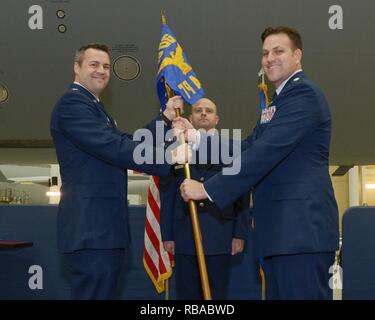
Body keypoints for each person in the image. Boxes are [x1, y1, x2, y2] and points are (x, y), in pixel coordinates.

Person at [179, 27, 339, 300]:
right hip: (279, 234)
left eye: (279, 51)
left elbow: (264, 153)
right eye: (265, 53)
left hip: (301, 233)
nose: (269, 59)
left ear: (297, 55)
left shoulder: (304, 95)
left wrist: (207, 190)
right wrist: (198, 140)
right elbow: (249, 147)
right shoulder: (278, 102)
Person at [50, 43, 189, 299]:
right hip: (90, 229)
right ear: (76, 67)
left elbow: (128, 141)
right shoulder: (72, 105)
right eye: (94, 64)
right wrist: (168, 156)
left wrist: (166, 119)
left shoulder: (95, 108)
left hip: (104, 230)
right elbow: (114, 147)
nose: (101, 71)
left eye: (105, 66)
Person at [160, 98, 249, 299]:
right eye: (198, 110)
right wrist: (167, 233)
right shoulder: (177, 146)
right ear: (190, 117)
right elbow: (168, 192)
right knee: (187, 295)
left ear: (216, 119)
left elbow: (241, 192)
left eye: (208, 111)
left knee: (216, 295)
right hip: (185, 232)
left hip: (220, 232)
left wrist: (240, 233)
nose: (203, 113)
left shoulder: (232, 149)